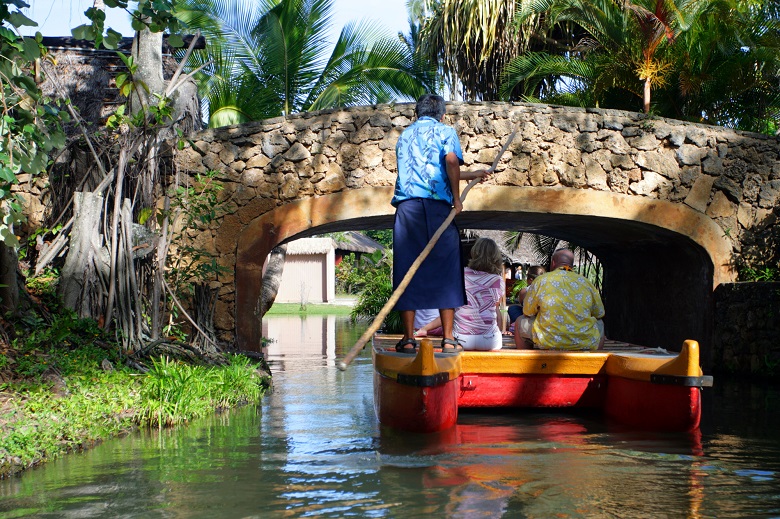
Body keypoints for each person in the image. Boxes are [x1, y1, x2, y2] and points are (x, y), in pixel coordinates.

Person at [391, 93, 490, 353]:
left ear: (416, 114)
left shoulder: (405, 136)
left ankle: (409, 338)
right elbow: (449, 162)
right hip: (437, 210)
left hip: (408, 210)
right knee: (447, 269)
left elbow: (439, 171)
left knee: (407, 270)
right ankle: (448, 338)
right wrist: (457, 200)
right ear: (442, 115)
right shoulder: (446, 132)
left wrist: (473, 174)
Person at [410, 238, 505, 351]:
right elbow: (495, 311)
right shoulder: (498, 281)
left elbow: (449, 312)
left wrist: (424, 328)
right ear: (496, 256)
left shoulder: (458, 275)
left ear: (473, 253)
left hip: (462, 340)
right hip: (490, 341)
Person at [514, 249, 605, 350]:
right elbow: (599, 313)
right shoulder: (586, 283)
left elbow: (527, 312)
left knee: (520, 321)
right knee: (600, 323)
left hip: (548, 340)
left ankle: (525, 361)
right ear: (572, 264)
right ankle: (595, 360)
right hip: (582, 340)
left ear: (553, 263)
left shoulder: (541, 281)